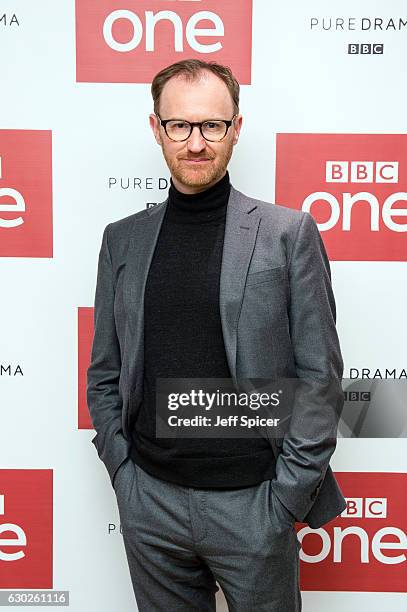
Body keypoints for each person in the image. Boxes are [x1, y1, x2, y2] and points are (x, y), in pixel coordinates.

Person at [87, 58, 346, 611]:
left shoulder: (287, 234)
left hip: (254, 504)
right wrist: (122, 470)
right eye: (180, 125)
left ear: (236, 129)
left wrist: (285, 496)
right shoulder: (121, 240)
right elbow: (105, 370)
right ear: (156, 128)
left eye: (212, 125)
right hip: (149, 501)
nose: (196, 142)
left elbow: (320, 377)